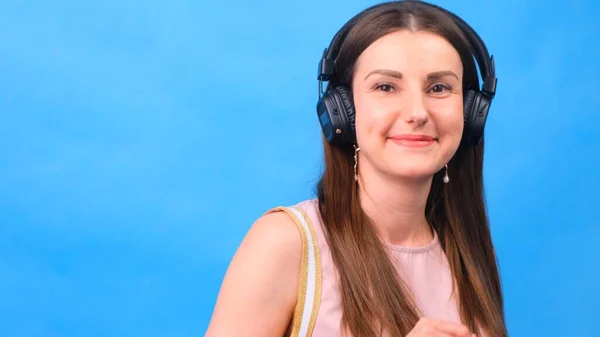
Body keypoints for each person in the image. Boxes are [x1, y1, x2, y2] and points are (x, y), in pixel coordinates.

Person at [205, 1, 507, 336]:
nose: (417, 112)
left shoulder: (466, 253)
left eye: (438, 88)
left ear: (470, 113)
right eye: (386, 87)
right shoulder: (286, 244)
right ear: (342, 112)